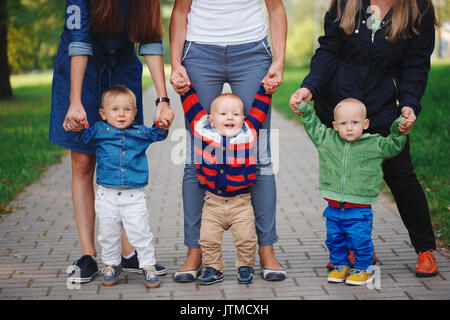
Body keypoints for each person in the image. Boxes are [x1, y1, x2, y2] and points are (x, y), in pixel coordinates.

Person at [289, 0, 439, 277]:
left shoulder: (418, 7)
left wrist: (409, 103)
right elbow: (328, 50)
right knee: (344, 178)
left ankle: (425, 249)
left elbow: (416, 64)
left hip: (382, 106)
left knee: (401, 177)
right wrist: (309, 86)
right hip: (340, 105)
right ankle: (354, 249)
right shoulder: (347, 3)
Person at [49, 0, 174, 283]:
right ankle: (89, 255)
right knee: (82, 161)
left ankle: (128, 252)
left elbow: (151, 41)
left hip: (122, 70)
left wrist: (163, 99)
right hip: (81, 69)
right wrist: (76, 101)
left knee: (126, 151)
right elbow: (78, 43)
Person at [170, 0, 287, 282]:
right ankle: (194, 251)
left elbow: (275, 7)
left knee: (259, 155)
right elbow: (181, 9)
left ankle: (266, 250)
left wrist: (279, 60)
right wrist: (175, 63)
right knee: (196, 156)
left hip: (252, 50)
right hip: (198, 50)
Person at [291, 98, 407, 285]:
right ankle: (340, 266)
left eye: (355, 122)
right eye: (343, 123)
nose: (349, 128)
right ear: (335, 126)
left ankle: (363, 269)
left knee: (360, 240)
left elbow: (393, 145)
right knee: (334, 239)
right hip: (334, 207)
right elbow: (314, 126)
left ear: (366, 123)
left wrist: (399, 129)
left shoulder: (374, 143)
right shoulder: (327, 140)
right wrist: (305, 110)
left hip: (359, 208)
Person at [66, 85, 168, 288]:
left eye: (127, 110)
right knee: (108, 234)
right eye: (115, 109)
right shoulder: (98, 131)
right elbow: (80, 138)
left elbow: (158, 134)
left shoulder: (140, 132)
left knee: (140, 232)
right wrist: (76, 126)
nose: (121, 114)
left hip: (133, 197)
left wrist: (164, 122)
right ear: (103, 114)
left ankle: (147, 266)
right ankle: (111, 265)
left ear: (135, 113)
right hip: (106, 196)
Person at [180, 84, 271, 285]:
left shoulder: (249, 132)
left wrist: (265, 91)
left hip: (241, 203)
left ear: (243, 119)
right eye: (223, 114)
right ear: (211, 120)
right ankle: (213, 268)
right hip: (212, 203)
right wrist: (186, 91)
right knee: (208, 240)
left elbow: (259, 110)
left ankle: (246, 266)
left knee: (246, 239)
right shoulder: (202, 130)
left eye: (236, 114)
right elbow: (192, 108)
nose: (230, 117)